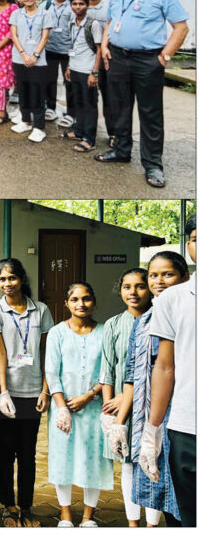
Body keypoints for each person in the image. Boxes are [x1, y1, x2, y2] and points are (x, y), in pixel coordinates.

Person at [108, 251, 189, 527]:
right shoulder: (143, 322)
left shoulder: (189, 314)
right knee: (161, 489)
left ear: (184, 277)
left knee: (184, 494)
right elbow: (134, 375)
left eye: (168, 274)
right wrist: (119, 423)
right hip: (148, 418)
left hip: (180, 417)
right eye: (153, 275)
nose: (159, 281)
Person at [97, 0, 189, 189]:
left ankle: (153, 164)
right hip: (118, 57)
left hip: (148, 60)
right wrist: (105, 45)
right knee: (119, 107)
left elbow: (181, 27)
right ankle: (121, 150)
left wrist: (165, 56)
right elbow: (110, 22)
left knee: (150, 113)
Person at [0, 258, 53, 528]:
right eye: (2, 279)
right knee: (5, 451)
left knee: (28, 453)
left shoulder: (41, 310)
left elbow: (48, 352)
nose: (7, 284)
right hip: (8, 392)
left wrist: (46, 390)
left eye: (11, 278)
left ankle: (26, 507)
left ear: (22, 279)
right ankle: (8, 506)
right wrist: (3, 391)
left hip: (33, 391)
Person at [45, 282, 113, 527]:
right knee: (62, 458)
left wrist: (89, 395)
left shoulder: (107, 331)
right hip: (63, 407)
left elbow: (108, 371)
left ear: (94, 301)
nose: (80, 304)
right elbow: (52, 372)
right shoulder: (56, 333)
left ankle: (88, 516)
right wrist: (61, 407)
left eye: (86, 299)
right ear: (66, 303)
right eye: (74, 299)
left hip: (95, 408)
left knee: (94, 459)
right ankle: (65, 514)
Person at [144, 216, 196, 527]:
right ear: (189, 246)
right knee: (192, 517)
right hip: (187, 427)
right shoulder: (174, 299)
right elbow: (164, 366)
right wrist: (152, 430)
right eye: (196, 237)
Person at [98, 267, 156, 527]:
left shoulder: (160, 319)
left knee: (154, 463)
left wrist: (128, 396)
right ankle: (133, 524)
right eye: (127, 286)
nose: (133, 292)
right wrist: (109, 412)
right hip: (121, 413)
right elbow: (107, 370)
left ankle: (153, 524)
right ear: (120, 290)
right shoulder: (113, 324)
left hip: (153, 406)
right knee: (129, 464)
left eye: (140, 285)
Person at [9, 0, 54, 142]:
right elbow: (14, 35)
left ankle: (39, 127)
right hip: (19, 57)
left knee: (37, 91)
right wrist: (23, 54)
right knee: (23, 90)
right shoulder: (16, 13)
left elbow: (45, 37)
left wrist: (34, 55)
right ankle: (26, 120)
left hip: (38, 59)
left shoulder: (45, 14)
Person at [64, 0, 103, 152]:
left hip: (88, 70)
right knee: (78, 101)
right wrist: (68, 66)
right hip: (74, 68)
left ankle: (89, 139)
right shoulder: (72, 22)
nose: (77, 7)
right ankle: (79, 131)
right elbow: (72, 46)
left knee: (89, 104)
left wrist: (94, 73)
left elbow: (99, 49)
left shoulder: (92, 24)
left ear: (87, 5)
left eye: (81, 4)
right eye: (74, 4)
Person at [83, 0, 117, 148]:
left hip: (104, 58)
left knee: (108, 97)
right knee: (87, 97)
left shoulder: (108, 9)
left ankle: (113, 133)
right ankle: (86, 131)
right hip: (83, 60)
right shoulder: (80, 8)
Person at [44, 0, 73, 127]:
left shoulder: (73, 5)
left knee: (70, 82)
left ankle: (70, 113)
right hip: (50, 49)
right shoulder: (47, 5)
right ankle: (50, 108)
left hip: (68, 50)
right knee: (49, 81)